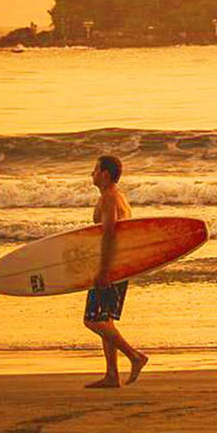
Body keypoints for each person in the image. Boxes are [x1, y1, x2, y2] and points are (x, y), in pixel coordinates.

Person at [82, 155, 149, 388]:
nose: (92, 174)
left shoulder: (110, 198)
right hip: (120, 266)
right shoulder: (117, 196)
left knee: (92, 321)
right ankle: (112, 375)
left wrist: (102, 271)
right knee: (105, 319)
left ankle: (135, 356)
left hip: (111, 267)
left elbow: (109, 234)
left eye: (95, 169)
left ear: (105, 174)